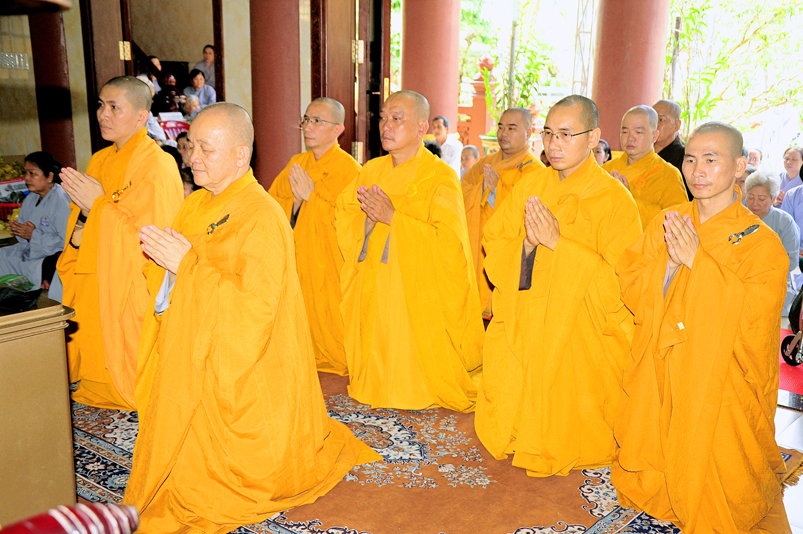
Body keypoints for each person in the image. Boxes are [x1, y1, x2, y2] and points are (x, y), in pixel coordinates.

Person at [126, 103, 379, 532]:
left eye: (206, 149)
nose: (193, 158)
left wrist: (187, 267)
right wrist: (170, 268)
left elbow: (255, 308)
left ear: (240, 154)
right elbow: (173, 277)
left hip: (245, 369)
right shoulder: (195, 204)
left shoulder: (262, 215)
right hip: (193, 352)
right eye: (191, 147)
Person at [613, 122, 791, 533]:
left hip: (718, 380)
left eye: (711, 160)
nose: (698, 171)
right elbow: (631, 281)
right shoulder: (668, 221)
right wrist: (669, 268)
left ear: (739, 166)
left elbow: (755, 322)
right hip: (663, 366)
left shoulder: (762, 244)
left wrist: (699, 263)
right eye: (691, 159)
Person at [474, 95, 641, 477]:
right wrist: (527, 246)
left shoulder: (614, 200)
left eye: (566, 134)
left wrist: (558, 244)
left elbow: (623, 283)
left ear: (593, 137)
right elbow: (495, 240)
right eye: (549, 134)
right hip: (527, 313)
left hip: (576, 331)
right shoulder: (532, 184)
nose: (554, 144)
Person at [336, 90, 484, 411]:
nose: (386, 126)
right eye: (383, 118)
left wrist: (394, 218)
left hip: (412, 289)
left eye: (397, 119)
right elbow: (346, 216)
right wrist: (367, 222)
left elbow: (451, 243)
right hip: (375, 278)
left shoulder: (440, 177)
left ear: (421, 127)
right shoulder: (371, 170)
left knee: (408, 359)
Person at [56, 76, 183, 411]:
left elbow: (150, 237)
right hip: (96, 268)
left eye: (114, 107)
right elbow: (83, 221)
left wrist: (98, 206)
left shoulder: (157, 165)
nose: (103, 114)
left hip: (132, 278)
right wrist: (87, 215)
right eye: (101, 105)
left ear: (141, 116)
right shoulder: (98, 160)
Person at [268, 98, 360, 376]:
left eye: (317, 121)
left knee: (332, 322)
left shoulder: (350, 171)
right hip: (299, 258)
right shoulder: (297, 163)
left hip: (330, 264)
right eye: (306, 120)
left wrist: (312, 198)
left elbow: (352, 222)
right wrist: (296, 202)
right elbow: (272, 208)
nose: (308, 127)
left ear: (338, 129)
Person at [461, 107, 545, 319]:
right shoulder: (486, 163)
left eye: (511, 128)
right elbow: (461, 191)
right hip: (477, 246)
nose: (503, 133)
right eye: (500, 127)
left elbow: (528, 216)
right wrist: (482, 189)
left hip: (506, 257)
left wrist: (496, 192)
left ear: (528, 133)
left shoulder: (536, 172)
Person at [603, 105, 688, 228]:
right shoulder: (606, 169)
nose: (630, 138)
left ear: (654, 136)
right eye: (625, 132)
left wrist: (628, 199)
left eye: (638, 132)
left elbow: (676, 223)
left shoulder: (669, 174)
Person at [0, 151, 70, 295]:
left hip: (52, 256)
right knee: (2, 255)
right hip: (30, 251)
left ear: (49, 176)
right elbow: (24, 238)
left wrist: (33, 235)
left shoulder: (61, 199)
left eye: (32, 173)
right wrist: (20, 231)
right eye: (25, 173)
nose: (26, 178)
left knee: (45, 266)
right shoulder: (31, 198)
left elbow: (66, 241)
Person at [745, 169, 799, 315]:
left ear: (773, 199)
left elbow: (790, 262)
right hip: (740, 281)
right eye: (751, 197)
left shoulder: (785, 222)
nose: (755, 203)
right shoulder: (737, 218)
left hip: (774, 282)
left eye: (762, 199)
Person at [652, 100, 686, 177]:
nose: (654, 125)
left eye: (661, 120)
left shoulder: (683, 159)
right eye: (652, 119)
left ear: (677, 125)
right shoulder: (641, 152)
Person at [135, 75, 167, 144]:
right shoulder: (129, 111)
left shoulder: (147, 112)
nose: (152, 101)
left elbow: (158, 133)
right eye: (150, 97)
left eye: (152, 98)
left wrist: (158, 140)